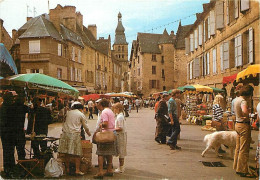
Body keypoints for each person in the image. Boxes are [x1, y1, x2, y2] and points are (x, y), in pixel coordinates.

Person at [58, 102, 91, 176]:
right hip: (75, 134)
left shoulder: (68, 113)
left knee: (66, 153)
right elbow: (85, 126)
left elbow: (63, 121)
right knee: (77, 153)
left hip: (65, 134)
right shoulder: (80, 114)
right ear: (80, 108)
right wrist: (88, 133)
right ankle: (77, 170)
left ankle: (67, 169)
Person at [233, 85, 255, 178]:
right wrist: (249, 115)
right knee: (244, 149)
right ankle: (242, 170)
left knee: (238, 147)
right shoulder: (243, 101)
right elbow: (245, 110)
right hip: (243, 125)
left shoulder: (236, 99)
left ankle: (236, 166)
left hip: (237, 124)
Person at [94, 99, 116, 179]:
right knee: (109, 153)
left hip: (105, 134)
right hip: (111, 133)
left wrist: (100, 125)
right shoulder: (110, 111)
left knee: (101, 153)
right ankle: (109, 170)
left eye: (98, 105)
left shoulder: (104, 112)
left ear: (101, 105)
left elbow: (105, 124)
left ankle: (100, 172)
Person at [0, 91, 16, 178]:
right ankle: (9, 169)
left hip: (4, 132)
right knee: (9, 151)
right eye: (12, 98)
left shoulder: (3, 107)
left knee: (7, 151)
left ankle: (8, 168)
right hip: (8, 132)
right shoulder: (9, 107)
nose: (13, 99)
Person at [13, 94, 29, 160]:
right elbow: (31, 111)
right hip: (19, 130)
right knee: (21, 149)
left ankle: (12, 166)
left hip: (12, 131)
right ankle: (21, 164)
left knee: (11, 150)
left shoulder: (11, 107)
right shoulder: (23, 107)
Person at [113, 103, 127, 173]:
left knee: (121, 151)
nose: (114, 110)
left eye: (114, 109)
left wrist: (113, 129)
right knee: (120, 151)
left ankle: (121, 168)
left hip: (120, 135)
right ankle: (120, 166)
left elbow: (120, 128)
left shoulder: (120, 117)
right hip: (120, 135)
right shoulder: (119, 116)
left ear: (118, 109)